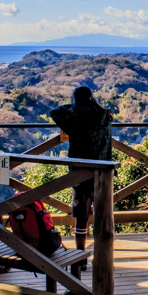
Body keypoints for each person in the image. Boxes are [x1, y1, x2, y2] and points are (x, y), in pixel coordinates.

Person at [50, 87, 114, 251]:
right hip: (103, 171)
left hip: (80, 173)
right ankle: (103, 252)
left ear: (75, 100)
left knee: (81, 215)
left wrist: (73, 107)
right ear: (91, 98)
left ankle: (80, 254)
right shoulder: (105, 115)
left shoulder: (75, 121)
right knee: (103, 214)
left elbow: (55, 112)